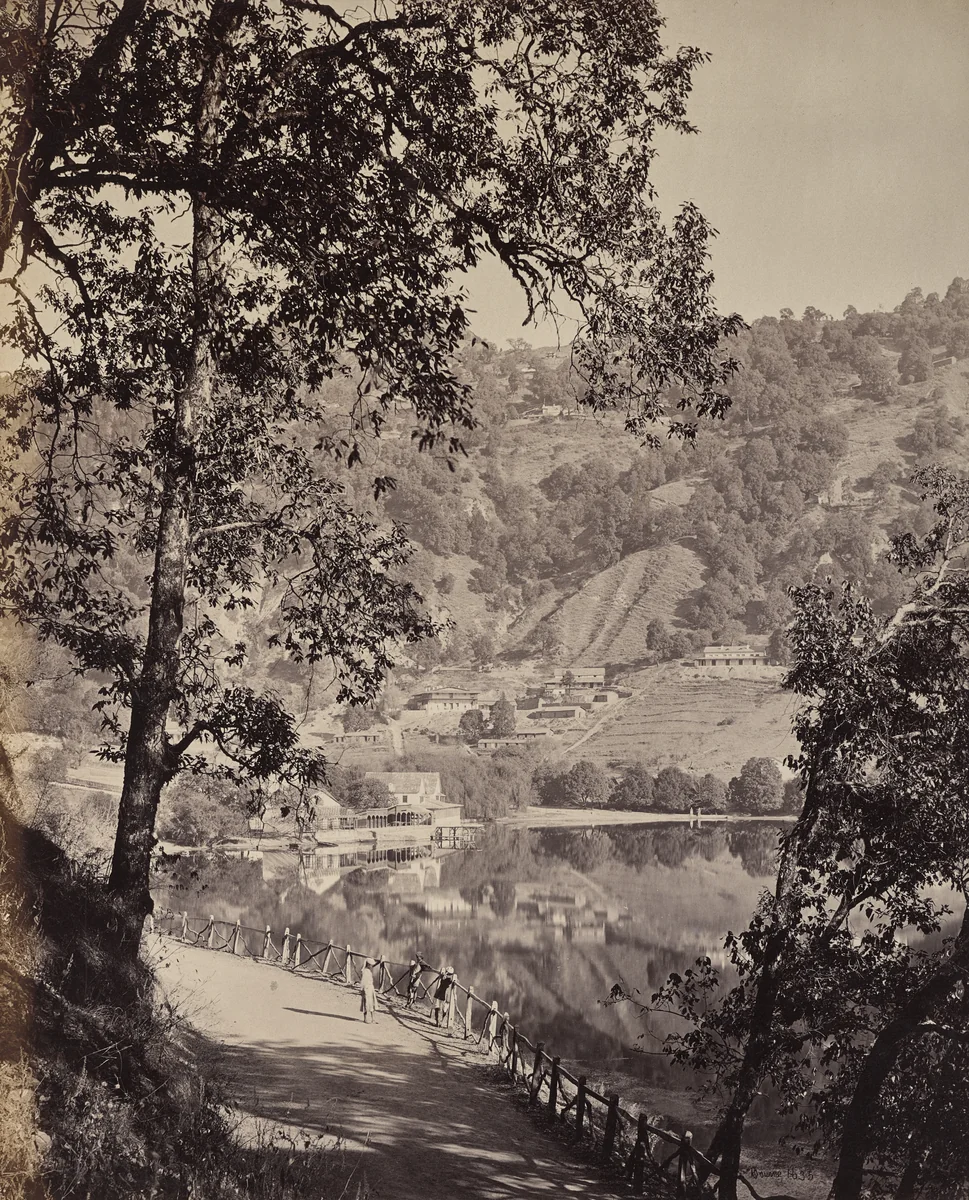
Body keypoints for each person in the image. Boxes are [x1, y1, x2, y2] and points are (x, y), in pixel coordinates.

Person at [360, 958, 377, 1024]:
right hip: (366, 989)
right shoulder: (365, 971)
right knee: (366, 1003)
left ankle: (373, 1018)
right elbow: (363, 982)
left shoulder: (368, 971)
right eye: (371, 965)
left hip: (370, 988)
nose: (372, 966)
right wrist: (364, 990)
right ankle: (365, 1018)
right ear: (368, 965)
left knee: (372, 1003)